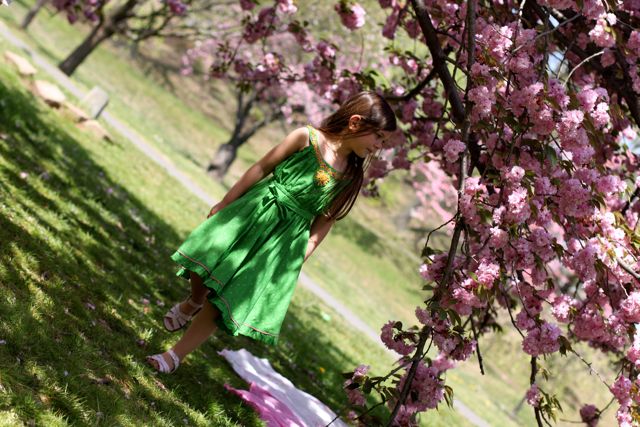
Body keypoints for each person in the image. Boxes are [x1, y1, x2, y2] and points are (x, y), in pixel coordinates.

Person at [147, 91, 397, 373]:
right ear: (355, 123)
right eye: (377, 136)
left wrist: (301, 254)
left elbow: (325, 221)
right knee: (207, 256)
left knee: (227, 296)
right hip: (255, 211)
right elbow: (262, 166)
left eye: (383, 141)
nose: (379, 146)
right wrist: (226, 202)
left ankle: (174, 356)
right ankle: (193, 299)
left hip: (283, 242)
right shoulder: (305, 137)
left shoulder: (351, 176)